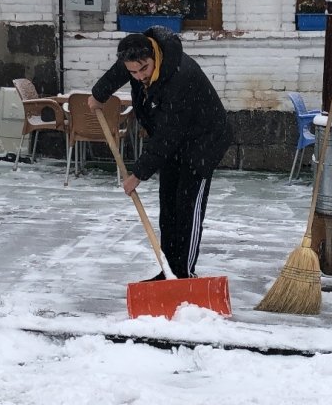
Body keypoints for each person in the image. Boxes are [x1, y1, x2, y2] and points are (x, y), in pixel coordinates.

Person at [88, 25, 232, 281]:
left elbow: (168, 135)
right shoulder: (137, 60)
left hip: (202, 142)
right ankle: (169, 273)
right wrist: (99, 94)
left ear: (154, 56)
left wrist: (138, 174)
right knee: (168, 208)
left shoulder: (180, 77)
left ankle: (184, 275)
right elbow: (119, 72)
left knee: (187, 208)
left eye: (144, 69)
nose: (140, 75)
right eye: (133, 71)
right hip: (173, 142)